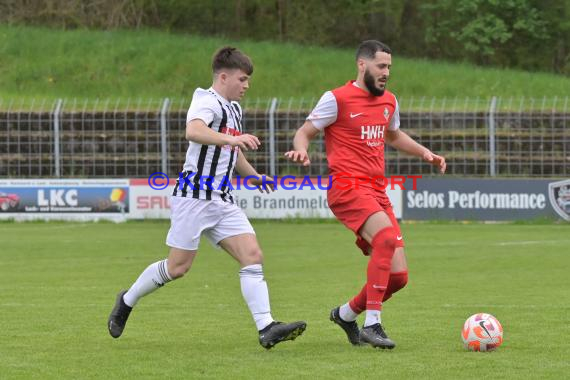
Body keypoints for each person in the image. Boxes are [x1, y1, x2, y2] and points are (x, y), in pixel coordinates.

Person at [108, 46, 306, 349]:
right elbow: (194, 130)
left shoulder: (234, 109)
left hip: (223, 199)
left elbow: (232, 151)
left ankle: (266, 327)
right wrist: (231, 138)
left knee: (252, 256)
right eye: (242, 79)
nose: (246, 85)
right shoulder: (206, 100)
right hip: (194, 197)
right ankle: (127, 299)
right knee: (178, 268)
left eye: (248, 80)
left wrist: (253, 176)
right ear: (223, 76)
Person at [285, 40, 446, 349]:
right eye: (381, 66)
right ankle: (373, 324)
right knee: (385, 240)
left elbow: (394, 135)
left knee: (398, 277)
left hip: (376, 190)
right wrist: (301, 151)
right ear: (362, 65)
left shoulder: (389, 101)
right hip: (346, 186)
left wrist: (426, 153)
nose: (386, 72)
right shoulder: (337, 98)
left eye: (389, 67)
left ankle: (345, 314)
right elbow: (305, 131)